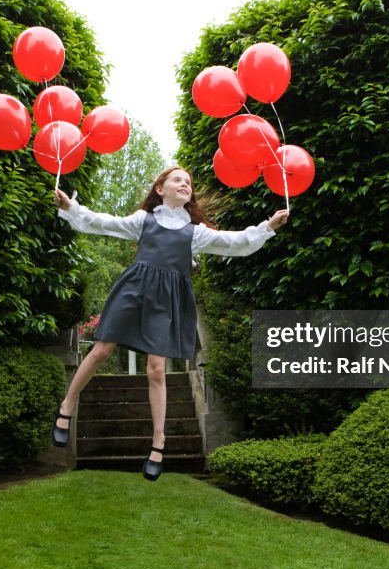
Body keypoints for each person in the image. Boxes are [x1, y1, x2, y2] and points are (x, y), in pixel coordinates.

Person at [51, 166, 289, 481]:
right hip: (134, 289)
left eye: (189, 182)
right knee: (101, 350)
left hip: (167, 300)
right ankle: (67, 405)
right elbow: (104, 223)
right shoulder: (143, 220)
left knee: (157, 369)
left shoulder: (195, 231)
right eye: (178, 179)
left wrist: (268, 226)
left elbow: (234, 242)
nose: (185, 184)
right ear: (161, 189)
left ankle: (159, 441)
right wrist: (71, 207)